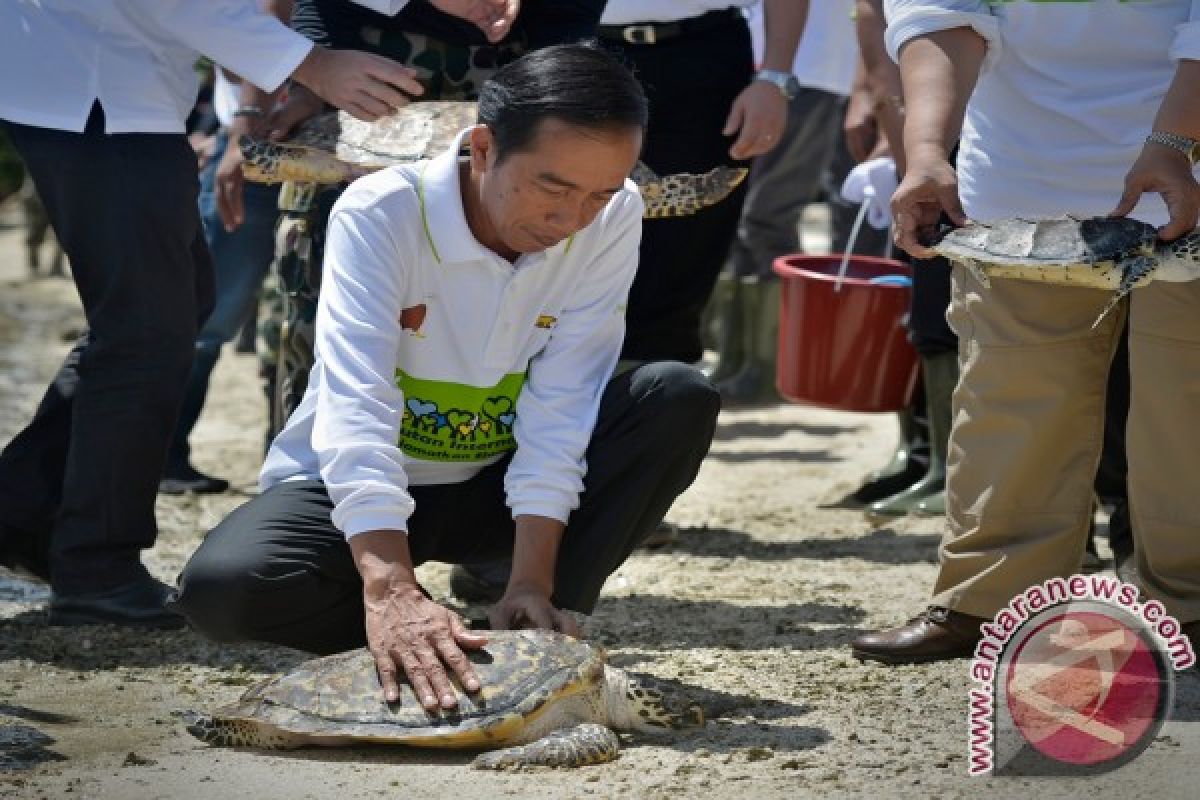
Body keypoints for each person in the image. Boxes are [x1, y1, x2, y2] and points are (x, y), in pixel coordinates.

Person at [171, 45, 721, 710]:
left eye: (599, 195)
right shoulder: (381, 213)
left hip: (493, 486)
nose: (571, 220)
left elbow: (565, 400)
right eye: (552, 187)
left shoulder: (614, 214)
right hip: (359, 495)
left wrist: (534, 582)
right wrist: (392, 592)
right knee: (223, 590)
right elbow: (357, 402)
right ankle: (433, 634)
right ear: (484, 149)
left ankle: (533, 623)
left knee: (676, 396)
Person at [0, 0, 508, 628]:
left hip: (116, 88)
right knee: (146, 330)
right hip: (93, 87)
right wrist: (312, 62)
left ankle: (23, 515)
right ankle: (94, 567)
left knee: (175, 309)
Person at [852, 0, 1200, 664]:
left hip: (1192, 177)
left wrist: (1171, 143)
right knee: (1007, 405)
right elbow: (941, 18)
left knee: (1187, 405)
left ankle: (1192, 605)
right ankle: (990, 603)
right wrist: (926, 151)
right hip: (1023, 186)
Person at [711, 0, 857, 405]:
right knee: (740, 218)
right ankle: (736, 357)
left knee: (767, 218)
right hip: (756, 69)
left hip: (807, 74)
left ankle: (770, 367)